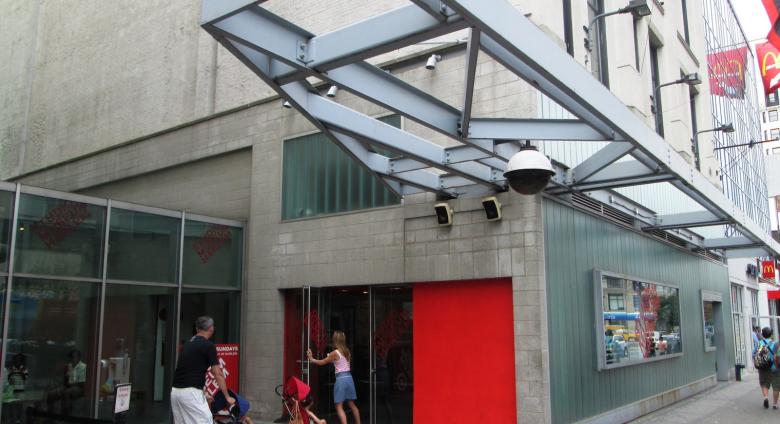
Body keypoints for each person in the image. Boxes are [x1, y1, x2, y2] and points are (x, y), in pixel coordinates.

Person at [171, 316, 235, 423]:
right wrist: (227, 397)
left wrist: (204, 392)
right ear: (211, 328)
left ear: (197, 328)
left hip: (175, 392)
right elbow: (217, 374)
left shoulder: (188, 344)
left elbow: (188, 370)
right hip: (190, 394)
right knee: (206, 420)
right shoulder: (208, 346)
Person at [307, 331, 361, 424]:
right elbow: (342, 363)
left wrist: (312, 359)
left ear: (335, 340)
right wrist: (333, 360)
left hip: (341, 379)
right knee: (352, 404)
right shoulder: (347, 351)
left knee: (339, 406)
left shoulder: (335, 352)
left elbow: (322, 362)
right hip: (349, 378)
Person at [755, 327, 778, 409]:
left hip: (762, 366)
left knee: (763, 383)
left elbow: (754, 354)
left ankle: (766, 397)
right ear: (771, 334)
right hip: (773, 366)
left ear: (763, 334)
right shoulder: (774, 343)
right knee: (775, 385)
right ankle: (775, 403)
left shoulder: (759, 343)